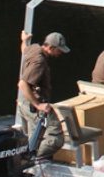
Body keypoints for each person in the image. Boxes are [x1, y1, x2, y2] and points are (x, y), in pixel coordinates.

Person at [16, 30, 69, 159]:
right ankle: (34, 160)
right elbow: (22, 84)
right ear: (50, 47)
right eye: (59, 50)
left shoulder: (33, 48)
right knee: (56, 137)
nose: (60, 53)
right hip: (32, 105)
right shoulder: (39, 61)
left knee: (33, 138)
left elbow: (24, 50)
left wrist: (24, 40)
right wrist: (38, 104)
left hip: (22, 103)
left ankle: (29, 157)